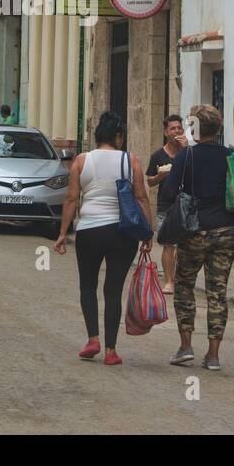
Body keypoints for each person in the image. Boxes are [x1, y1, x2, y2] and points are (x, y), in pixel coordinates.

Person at [53, 111, 154, 366]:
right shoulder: (130, 160)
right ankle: (111, 350)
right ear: (118, 136)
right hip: (122, 233)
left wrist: (63, 233)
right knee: (113, 289)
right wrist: (148, 232)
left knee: (88, 286)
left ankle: (92, 339)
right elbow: (141, 197)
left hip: (89, 230)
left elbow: (71, 198)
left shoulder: (81, 160)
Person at [162, 104, 234, 371]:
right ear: (218, 128)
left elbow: (169, 192)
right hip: (228, 229)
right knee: (218, 292)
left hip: (195, 230)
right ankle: (213, 355)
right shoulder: (231, 156)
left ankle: (185, 347)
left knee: (184, 285)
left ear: (195, 128)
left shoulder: (187, 157)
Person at [147, 114, 189, 295]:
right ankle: (169, 281)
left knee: (185, 244)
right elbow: (149, 182)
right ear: (166, 132)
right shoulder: (158, 155)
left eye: (179, 128)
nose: (177, 131)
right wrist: (159, 176)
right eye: (173, 128)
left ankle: (181, 279)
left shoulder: (188, 152)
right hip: (166, 203)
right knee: (168, 244)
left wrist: (186, 149)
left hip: (187, 203)